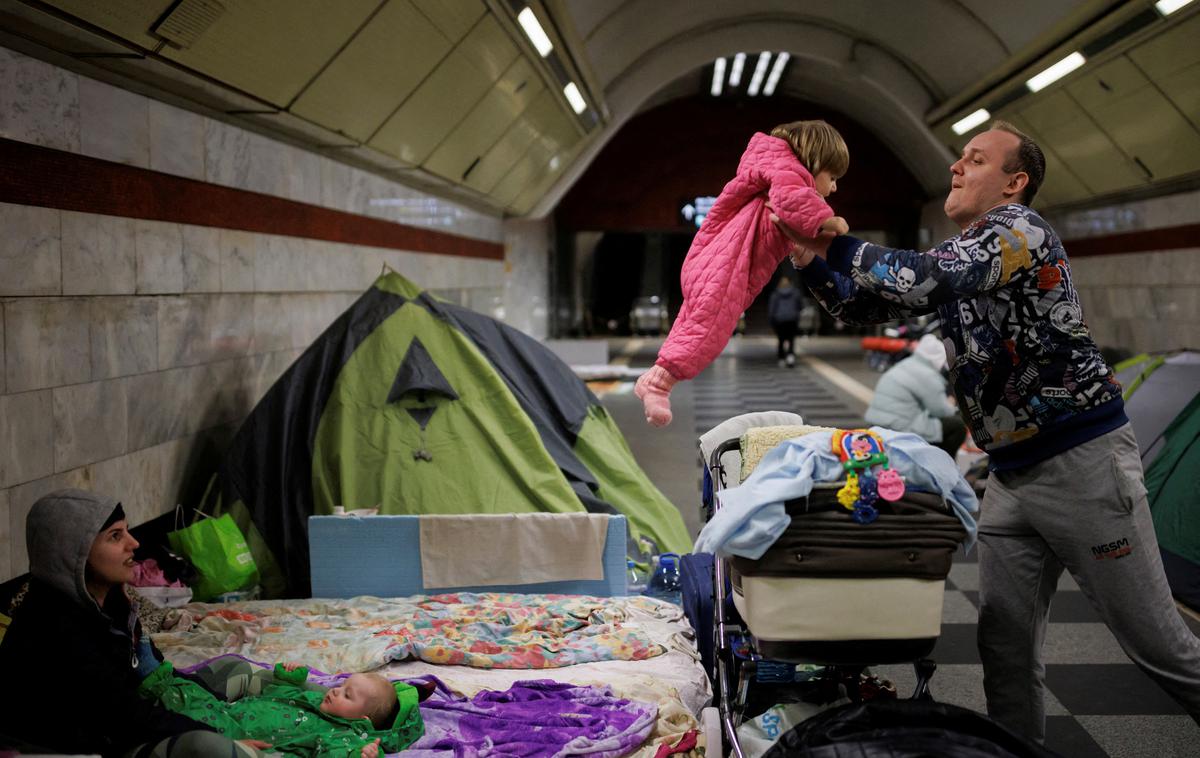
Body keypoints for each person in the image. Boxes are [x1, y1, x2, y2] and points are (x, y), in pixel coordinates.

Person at [774, 121, 1200, 742]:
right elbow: (862, 305)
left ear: (1014, 182)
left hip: (1082, 463)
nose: (955, 167)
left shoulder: (1017, 232)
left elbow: (922, 277)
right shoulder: (965, 254)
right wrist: (808, 260)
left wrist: (834, 237)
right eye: (958, 159)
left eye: (974, 160)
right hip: (1009, 476)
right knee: (1004, 652)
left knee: (1158, 646)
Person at [0, 489, 258, 757]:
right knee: (207, 747)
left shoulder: (113, 603)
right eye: (115, 536)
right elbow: (125, 715)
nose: (133, 543)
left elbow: (155, 674)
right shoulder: (53, 625)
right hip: (84, 744)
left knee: (233, 669)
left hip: (123, 721)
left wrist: (218, 708)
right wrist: (224, 735)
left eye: (127, 531)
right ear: (73, 553)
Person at [635, 120, 851, 426]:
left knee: (693, 325)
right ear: (814, 161)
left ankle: (657, 378)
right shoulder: (791, 175)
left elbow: (788, 218)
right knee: (710, 330)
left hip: (719, 262)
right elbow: (793, 203)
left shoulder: (777, 173)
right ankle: (658, 385)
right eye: (832, 177)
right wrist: (831, 221)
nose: (834, 187)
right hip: (727, 266)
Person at [140, 659, 423, 758]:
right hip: (237, 710)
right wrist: (290, 678)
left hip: (242, 735)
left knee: (194, 711)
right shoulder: (317, 702)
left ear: (361, 719)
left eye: (347, 695)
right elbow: (282, 695)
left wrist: (359, 756)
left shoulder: (345, 736)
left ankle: (149, 678)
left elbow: (333, 755)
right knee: (203, 694)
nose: (335, 690)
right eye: (342, 685)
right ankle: (153, 676)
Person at [865, 332, 967, 458]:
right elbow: (941, 411)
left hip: (876, 422)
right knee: (957, 426)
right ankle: (940, 462)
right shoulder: (928, 375)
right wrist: (952, 404)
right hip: (899, 426)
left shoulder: (906, 364)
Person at [767, 275, 803, 367]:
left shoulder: (775, 294)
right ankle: (790, 357)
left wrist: (771, 321)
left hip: (780, 320)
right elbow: (800, 306)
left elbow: (772, 309)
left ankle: (781, 358)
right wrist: (796, 314)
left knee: (781, 339)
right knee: (791, 339)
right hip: (792, 319)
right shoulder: (795, 292)